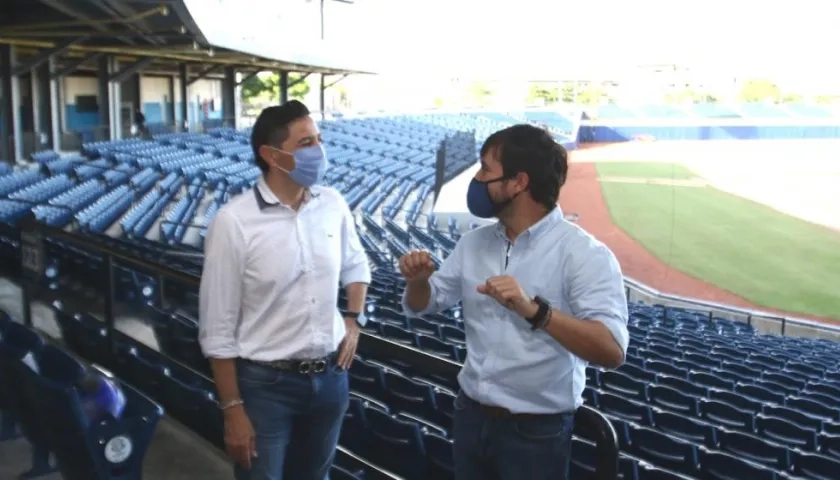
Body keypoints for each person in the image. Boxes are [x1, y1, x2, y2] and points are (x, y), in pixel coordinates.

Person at [399, 124, 629, 480]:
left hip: (536, 434)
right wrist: (418, 282)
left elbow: (611, 350)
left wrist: (536, 311)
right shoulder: (473, 243)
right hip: (470, 417)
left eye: (486, 170)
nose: (476, 179)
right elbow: (423, 304)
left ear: (518, 182)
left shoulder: (585, 254)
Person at [198, 100, 371, 480]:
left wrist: (353, 319)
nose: (318, 151)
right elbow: (218, 328)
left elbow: (356, 264)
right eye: (306, 142)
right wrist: (232, 408)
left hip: (330, 380)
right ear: (271, 155)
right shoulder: (234, 222)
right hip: (265, 388)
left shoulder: (333, 204)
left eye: (319, 139)